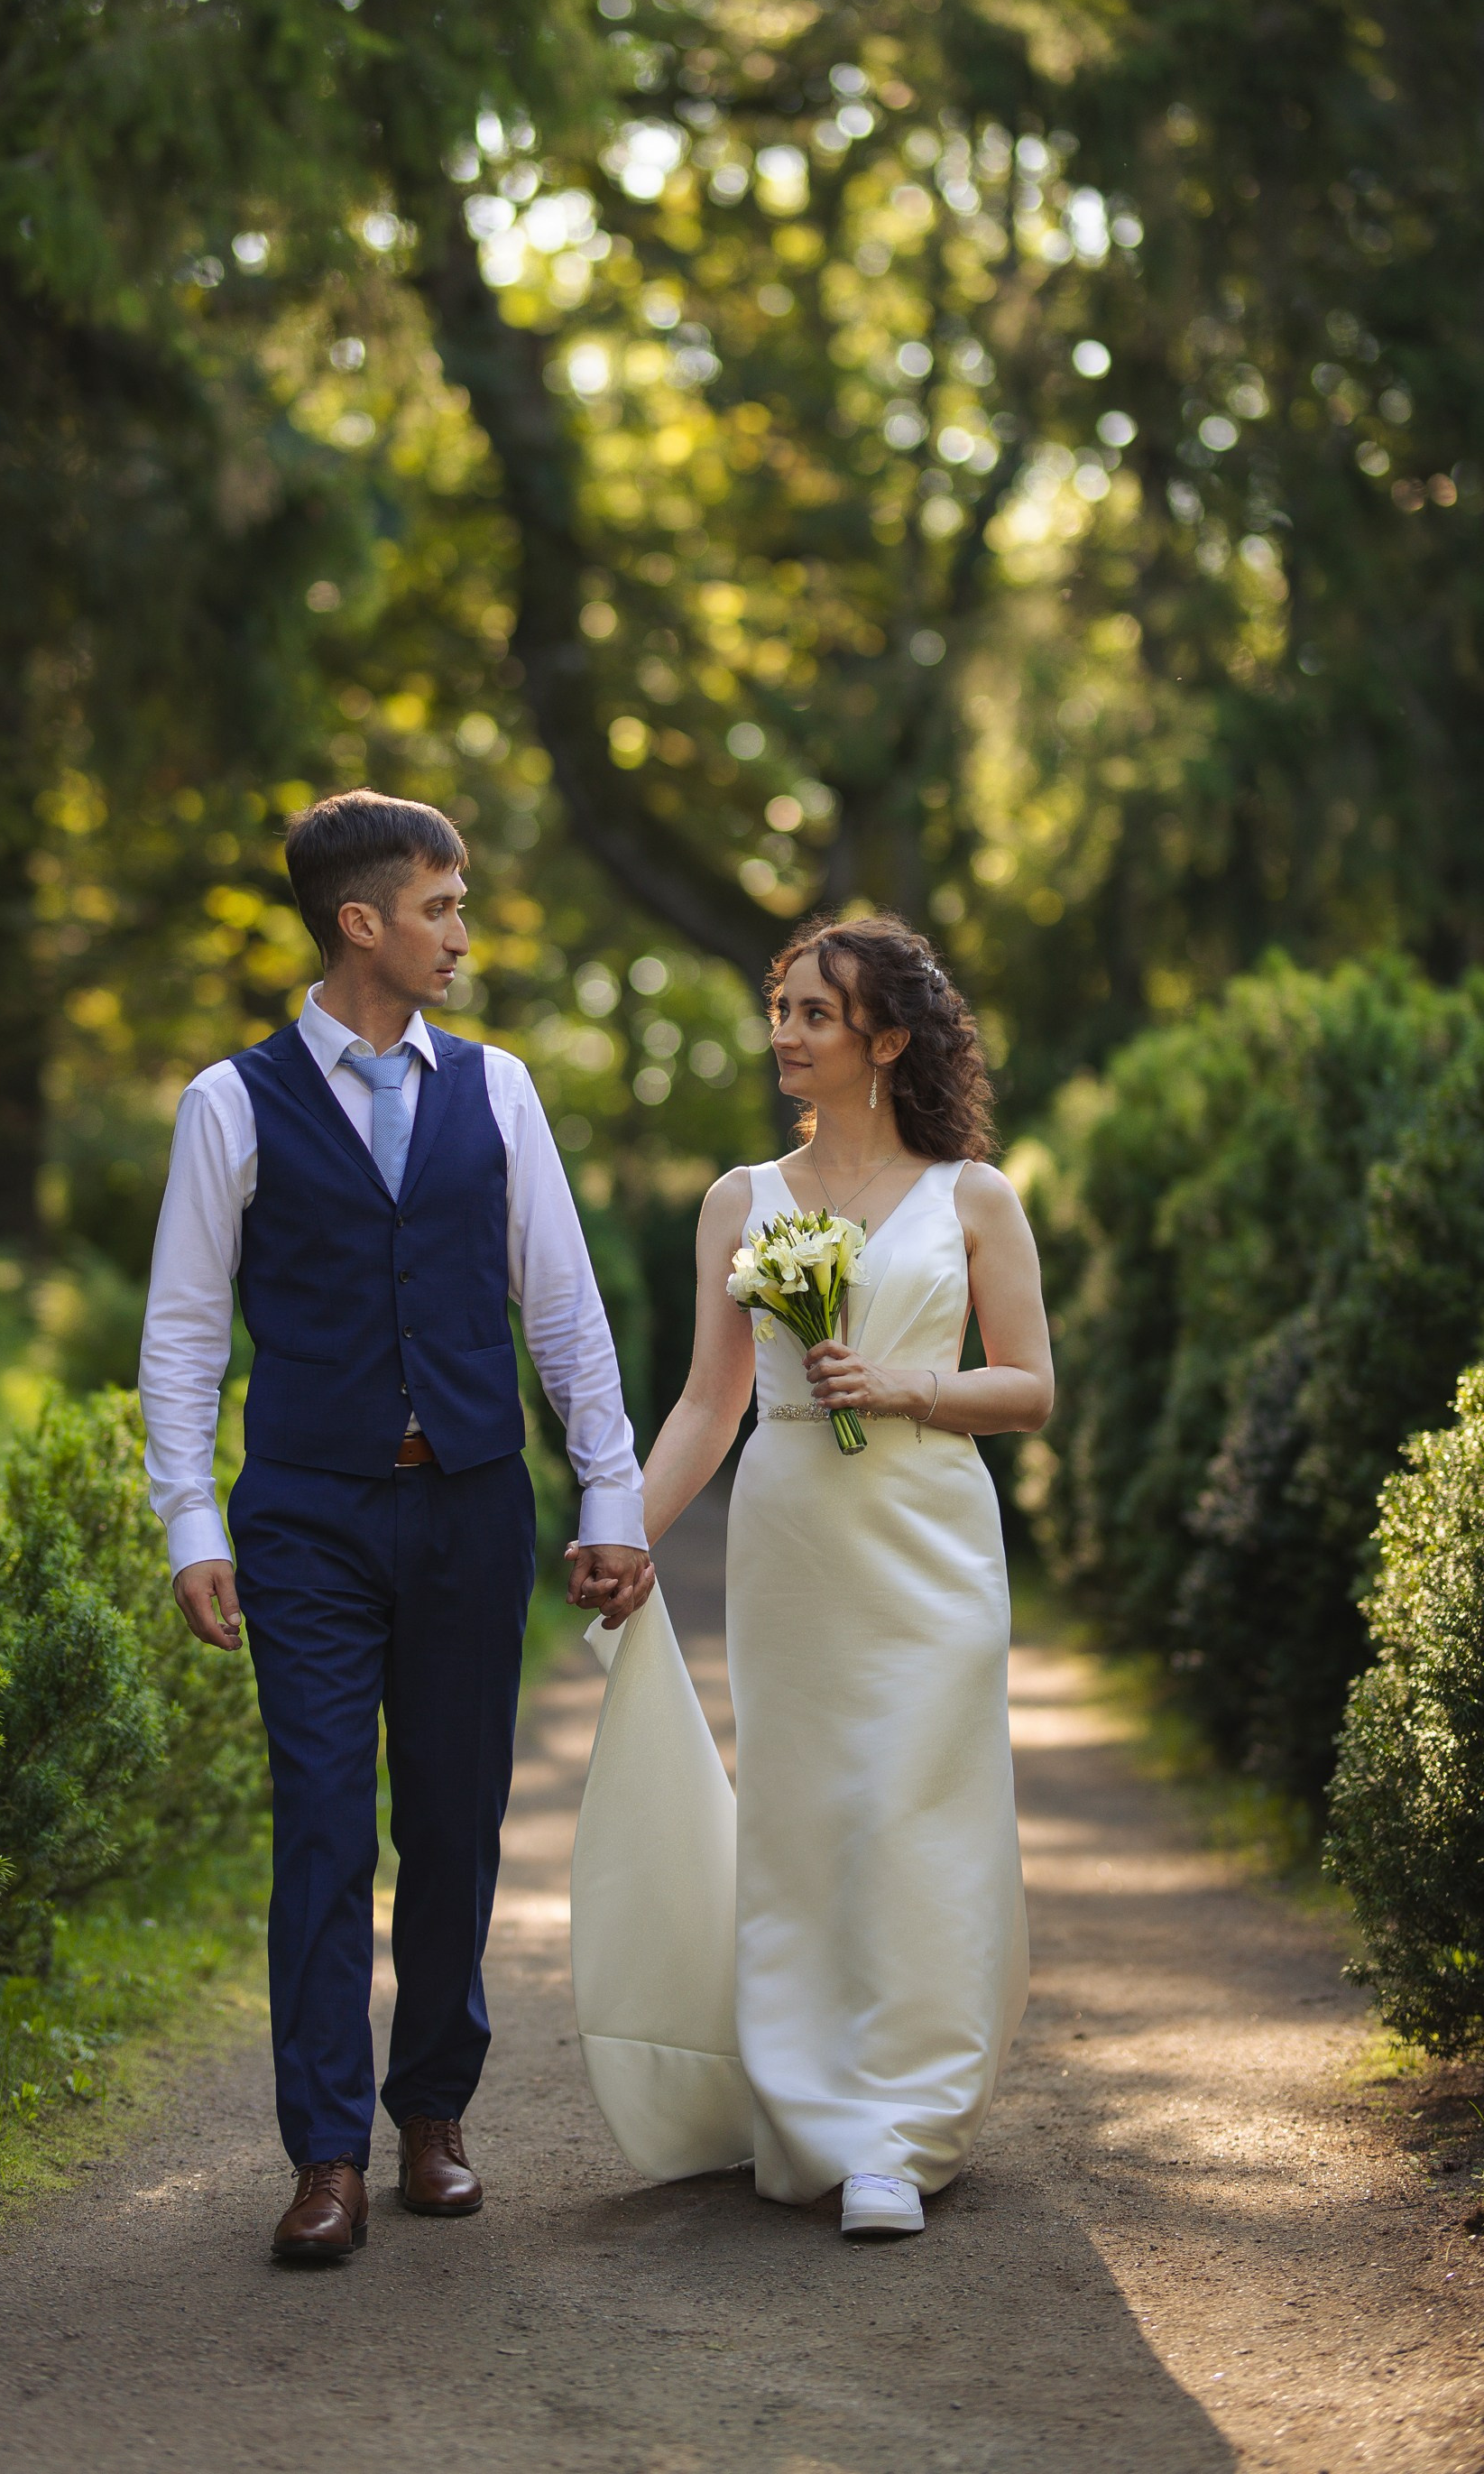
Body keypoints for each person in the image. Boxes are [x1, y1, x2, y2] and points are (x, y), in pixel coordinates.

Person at [138, 789, 651, 2264]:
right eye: (442, 907)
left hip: (473, 1505)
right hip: (304, 1517)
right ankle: (325, 2154)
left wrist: (604, 1494)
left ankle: (434, 2117)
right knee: (319, 1830)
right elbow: (183, 1337)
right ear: (362, 922)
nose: (462, 933)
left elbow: (561, 1311)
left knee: (450, 1824)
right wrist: (192, 1524)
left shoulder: (497, 1092)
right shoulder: (229, 1104)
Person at [607, 914, 1052, 2241]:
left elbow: (1028, 1388)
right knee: (807, 1819)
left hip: (930, 1534)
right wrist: (623, 1530)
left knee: (915, 1816)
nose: (785, 1033)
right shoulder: (742, 1200)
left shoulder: (974, 1196)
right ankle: (807, 2103)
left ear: (888, 1040)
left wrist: (911, 1384)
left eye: (814, 1012)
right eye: (782, 1007)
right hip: (793, 1530)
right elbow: (706, 1403)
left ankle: (902, 2131)